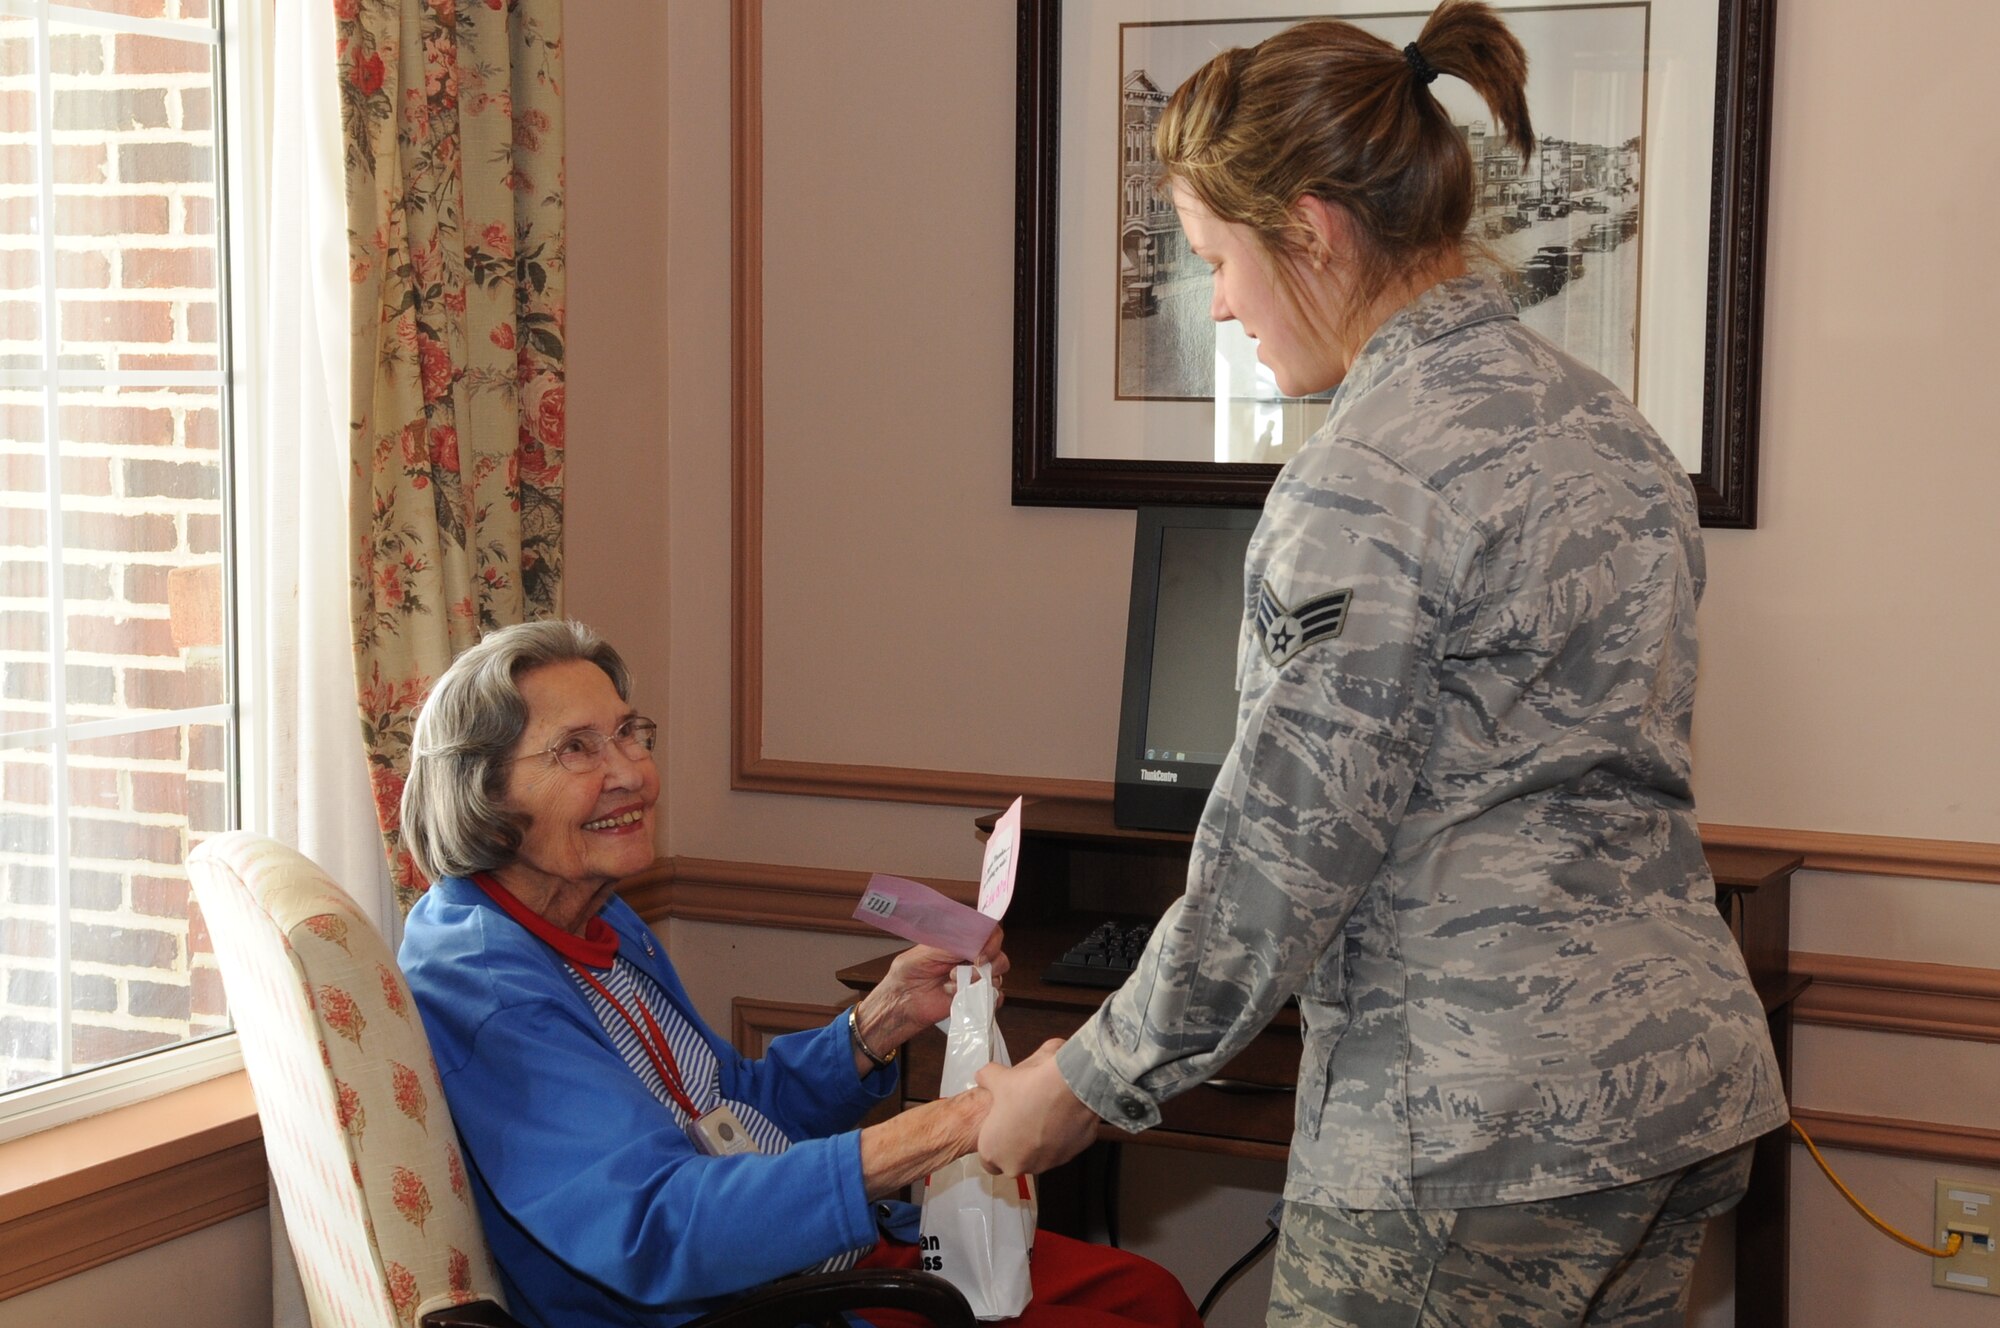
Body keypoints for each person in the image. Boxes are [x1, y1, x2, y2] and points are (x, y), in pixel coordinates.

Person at [975, 4, 1787, 1325]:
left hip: (1473, 1130)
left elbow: (1284, 854)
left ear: (1313, 230)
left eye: (1218, 259)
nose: (1220, 302)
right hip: (1676, 1091)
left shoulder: (1366, 476)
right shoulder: (1611, 428)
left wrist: (1078, 1085)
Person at [396, 620, 1201, 1328]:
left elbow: (729, 1107)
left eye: (631, 733)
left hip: (807, 1263)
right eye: (577, 748)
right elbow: (658, 1228)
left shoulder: (594, 916)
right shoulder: (490, 984)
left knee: (1147, 1293)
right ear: (484, 792)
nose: (633, 772)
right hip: (738, 1303)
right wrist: (954, 1124)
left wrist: (876, 1023)